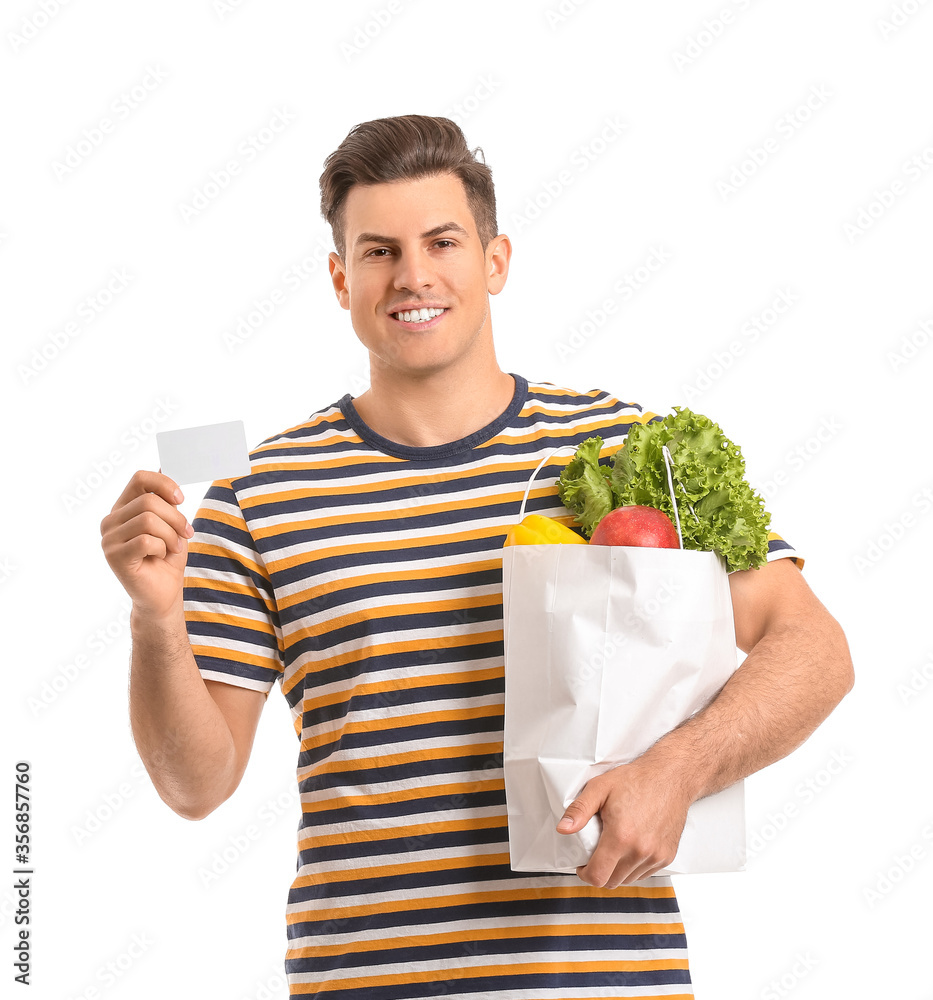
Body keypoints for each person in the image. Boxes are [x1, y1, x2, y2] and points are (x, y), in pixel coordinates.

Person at [100, 115, 854, 999]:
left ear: (494, 261)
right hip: (365, 983)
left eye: (442, 242)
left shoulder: (615, 451)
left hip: (604, 982)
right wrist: (154, 616)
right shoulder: (259, 494)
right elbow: (197, 784)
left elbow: (814, 652)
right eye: (378, 251)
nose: (413, 276)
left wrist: (678, 770)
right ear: (341, 281)